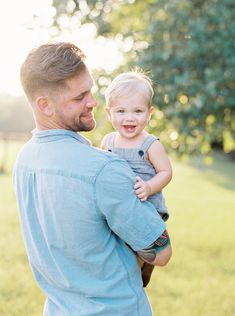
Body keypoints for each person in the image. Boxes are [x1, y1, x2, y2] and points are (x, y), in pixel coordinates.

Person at [13, 42, 172, 316]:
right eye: (79, 97)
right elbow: (162, 253)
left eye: (90, 90)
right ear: (45, 106)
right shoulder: (104, 168)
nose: (93, 102)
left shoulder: (24, 159)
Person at [101, 71, 173, 286]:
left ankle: (144, 269)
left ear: (149, 113)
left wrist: (150, 187)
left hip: (147, 206)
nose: (129, 118)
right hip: (120, 206)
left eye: (138, 111)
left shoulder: (150, 144)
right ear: (109, 113)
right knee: (119, 247)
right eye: (121, 111)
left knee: (140, 252)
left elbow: (166, 172)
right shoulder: (108, 141)